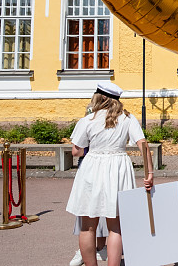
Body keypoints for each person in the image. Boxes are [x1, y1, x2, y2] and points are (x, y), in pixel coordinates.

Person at [66, 82, 153, 266]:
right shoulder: (128, 118)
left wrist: (94, 148)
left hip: (93, 168)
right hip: (118, 167)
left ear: (99, 98)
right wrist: (149, 173)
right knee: (116, 227)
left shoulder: (88, 120)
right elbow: (143, 145)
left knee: (88, 227)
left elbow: (76, 151)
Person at [69, 96, 108, 266]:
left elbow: (76, 151)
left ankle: (99, 247)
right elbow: (77, 150)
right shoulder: (87, 122)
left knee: (98, 212)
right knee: (88, 211)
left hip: (99, 165)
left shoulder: (108, 123)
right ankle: (91, 249)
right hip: (89, 166)